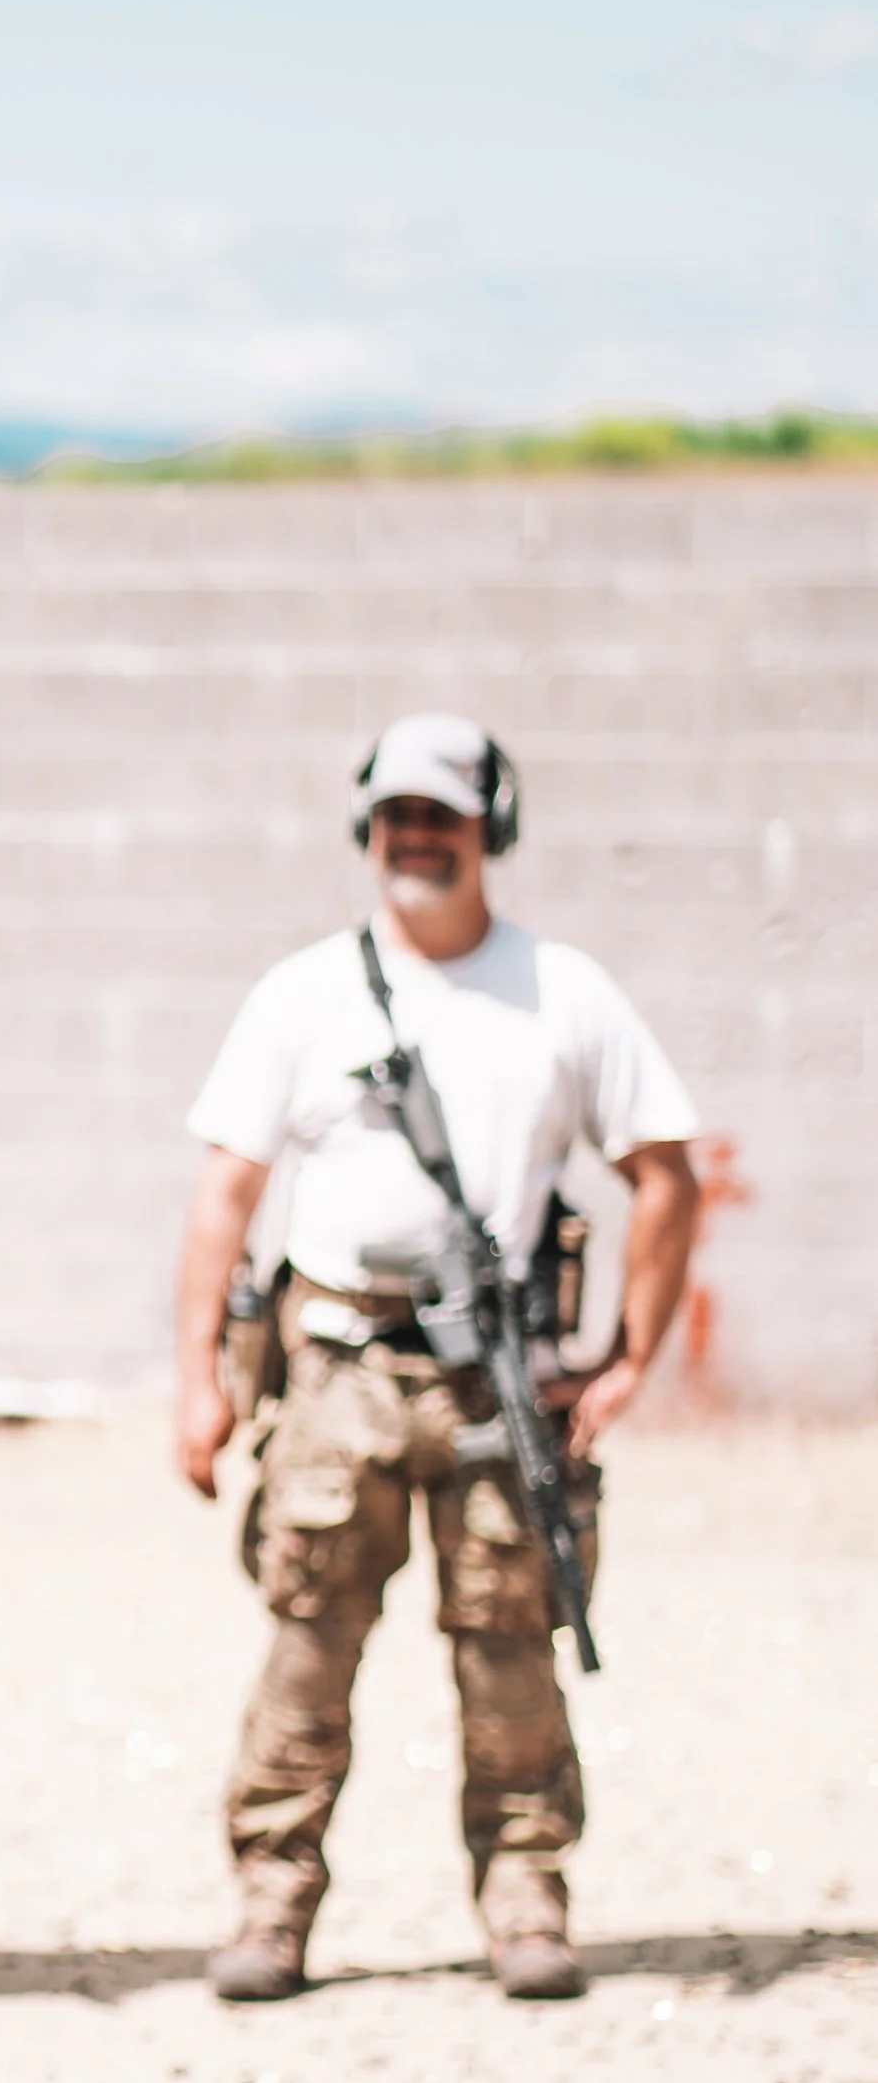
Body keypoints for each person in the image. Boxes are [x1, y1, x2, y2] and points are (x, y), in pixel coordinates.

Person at [174, 715, 700, 2003]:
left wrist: (630, 1359)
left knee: (508, 1646)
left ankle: (525, 1899)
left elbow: (665, 1171)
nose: (417, 838)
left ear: (488, 830)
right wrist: (198, 1378)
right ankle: (272, 1903)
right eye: (397, 815)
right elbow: (224, 1193)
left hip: (496, 1379)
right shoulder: (303, 990)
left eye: (442, 817)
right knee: (308, 1642)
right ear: (369, 828)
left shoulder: (562, 990)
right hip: (337, 1366)